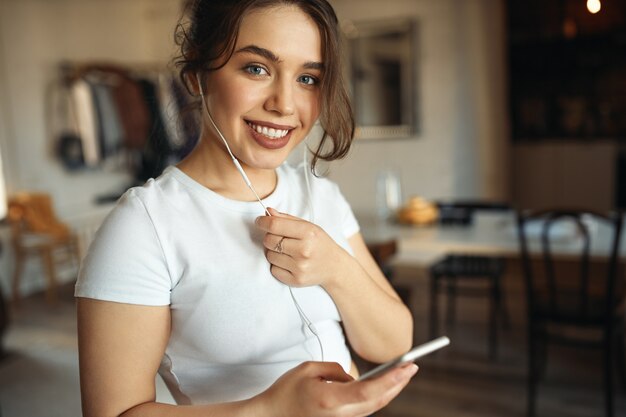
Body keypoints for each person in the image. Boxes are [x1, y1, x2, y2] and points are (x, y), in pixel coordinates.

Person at [75, 1, 415, 416]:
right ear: (198, 77)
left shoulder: (321, 196)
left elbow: (393, 343)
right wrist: (272, 408)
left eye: (308, 78)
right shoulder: (143, 225)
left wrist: (337, 268)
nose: (285, 104)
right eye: (257, 68)